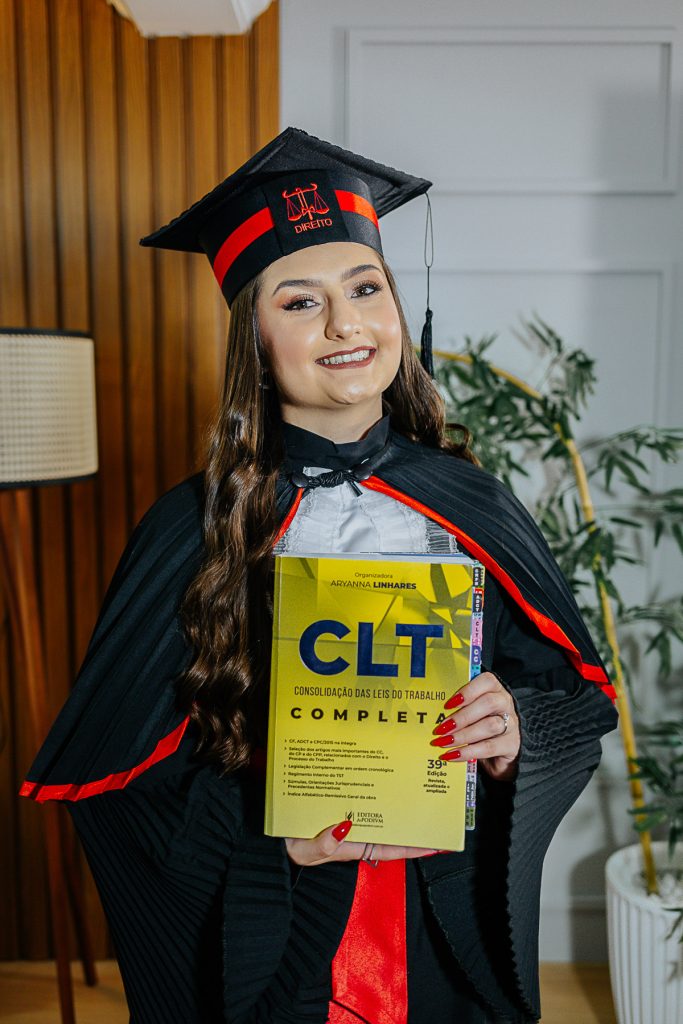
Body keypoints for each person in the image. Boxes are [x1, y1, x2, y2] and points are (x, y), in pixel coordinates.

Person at [20, 127, 618, 1024]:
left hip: (437, 923)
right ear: (253, 341)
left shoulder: (469, 499)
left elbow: (576, 694)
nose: (345, 325)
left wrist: (515, 726)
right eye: (299, 302)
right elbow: (112, 785)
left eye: (365, 288)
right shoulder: (190, 526)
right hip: (280, 931)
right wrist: (272, 844)